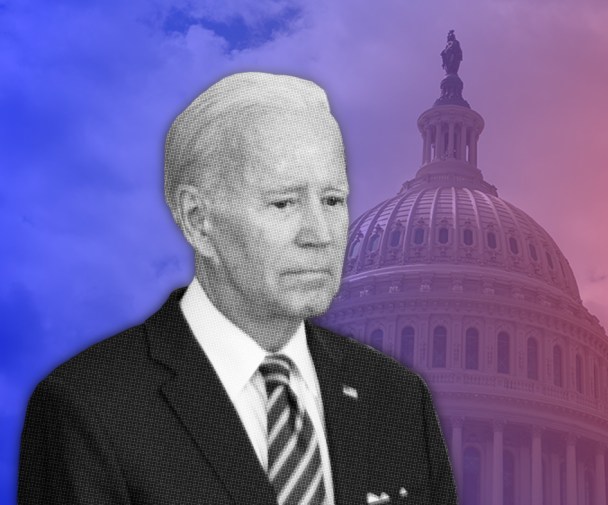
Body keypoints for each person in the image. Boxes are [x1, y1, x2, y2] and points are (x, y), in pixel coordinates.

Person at [18, 72, 458, 505]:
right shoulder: (90, 408)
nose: (320, 234)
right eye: (283, 202)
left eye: (332, 201)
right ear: (198, 220)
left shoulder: (398, 401)